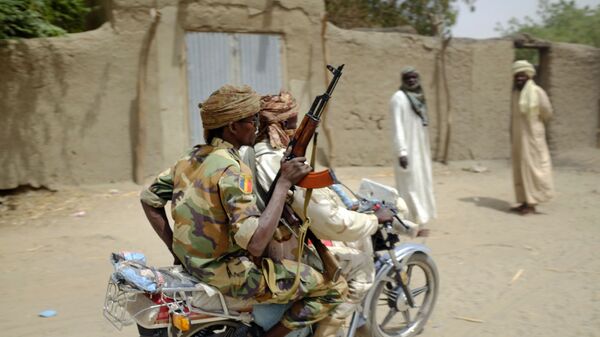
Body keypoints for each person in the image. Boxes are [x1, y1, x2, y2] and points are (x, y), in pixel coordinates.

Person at [139, 85, 346, 337]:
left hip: (194, 266)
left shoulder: (189, 157)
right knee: (333, 289)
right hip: (229, 276)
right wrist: (283, 183)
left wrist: (176, 250)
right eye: (252, 120)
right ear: (232, 127)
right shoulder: (233, 169)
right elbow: (256, 243)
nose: (257, 125)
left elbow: (149, 199)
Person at [244, 91, 419, 337]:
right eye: (295, 122)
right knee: (360, 270)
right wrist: (372, 219)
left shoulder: (251, 152)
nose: (297, 128)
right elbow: (332, 223)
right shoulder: (281, 162)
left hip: (267, 238)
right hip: (284, 250)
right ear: (281, 124)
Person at [389, 67, 436, 225]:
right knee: (409, 185)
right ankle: (415, 220)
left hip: (420, 150)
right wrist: (402, 151)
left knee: (420, 182)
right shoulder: (398, 98)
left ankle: (417, 218)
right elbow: (397, 127)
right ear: (403, 80)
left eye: (414, 77)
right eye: (408, 78)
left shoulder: (419, 97)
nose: (411, 80)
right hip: (406, 150)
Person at [510, 60, 554, 215]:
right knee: (519, 167)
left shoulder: (537, 92)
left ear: (528, 75)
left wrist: (535, 124)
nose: (519, 78)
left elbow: (547, 112)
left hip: (533, 137)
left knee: (534, 168)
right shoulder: (515, 93)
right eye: (517, 75)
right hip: (518, 137)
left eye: (522, 75)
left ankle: (532, 202)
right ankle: (523, 200)